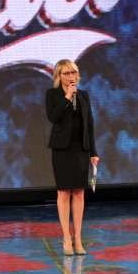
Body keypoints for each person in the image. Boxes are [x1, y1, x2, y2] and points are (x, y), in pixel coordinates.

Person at [45, 59, 100, 256]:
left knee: (79, 192)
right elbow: (53, 117)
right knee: (63, 193)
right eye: (66, 73)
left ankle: (78, 238)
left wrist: (93, 152)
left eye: (73, 73)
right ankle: (66, 238)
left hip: (80, 149)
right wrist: (67, 97)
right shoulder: (53, 94)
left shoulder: (83, 95)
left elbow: (89, 125)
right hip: (62, 150)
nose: (71, 77)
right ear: (59, 76)